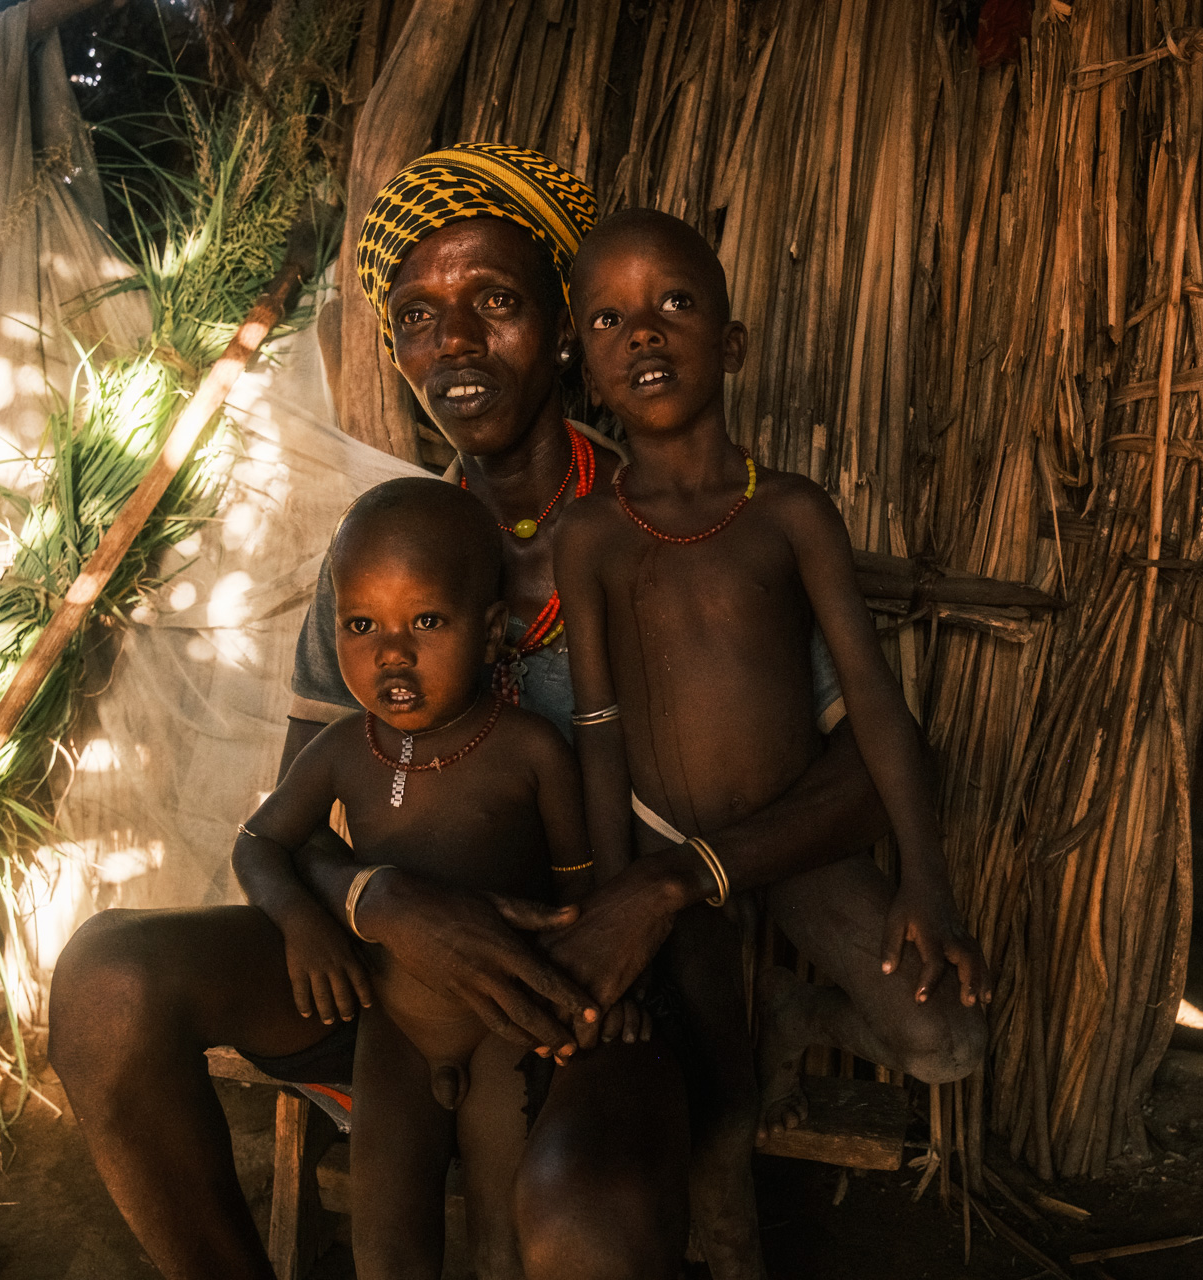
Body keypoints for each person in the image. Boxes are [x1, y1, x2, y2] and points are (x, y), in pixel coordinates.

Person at [49, 145, 977, 1280]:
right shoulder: (386, 556)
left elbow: (859, 757)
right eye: (420, 316)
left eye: (497, 303)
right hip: (402, 980)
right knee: (105, 983)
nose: (456, 345)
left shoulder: (670, 530)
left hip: (596, 992)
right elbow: (308, 814)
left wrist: (679, 881)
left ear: (567, 334)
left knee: (580, 1223)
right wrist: (385, 898)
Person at [553, 207, 991, 1271]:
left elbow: (877, 705)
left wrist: (924, 881)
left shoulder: (792, 511)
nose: (644, 333)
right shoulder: (592, 535)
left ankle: (798, 1018)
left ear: (734, 343)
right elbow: (600, 727)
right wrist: (623, 901)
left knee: (946, 1040)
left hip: (796, 836)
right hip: (667, 846)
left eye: (676, 305)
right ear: (586, 370)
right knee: (721, 1111)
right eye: (610, 318)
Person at [236, 477, 650, 1279]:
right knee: (386, 1252)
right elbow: (259, 842)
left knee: (504, 1247)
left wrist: (605, 998)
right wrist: (304, 922)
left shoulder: (532, 753)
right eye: (362, 625)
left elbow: (582, 898)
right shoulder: (343, 751)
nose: (392, 651)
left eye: (426, 620)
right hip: (391, 1040)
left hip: (506, 1035)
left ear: (492, 631)